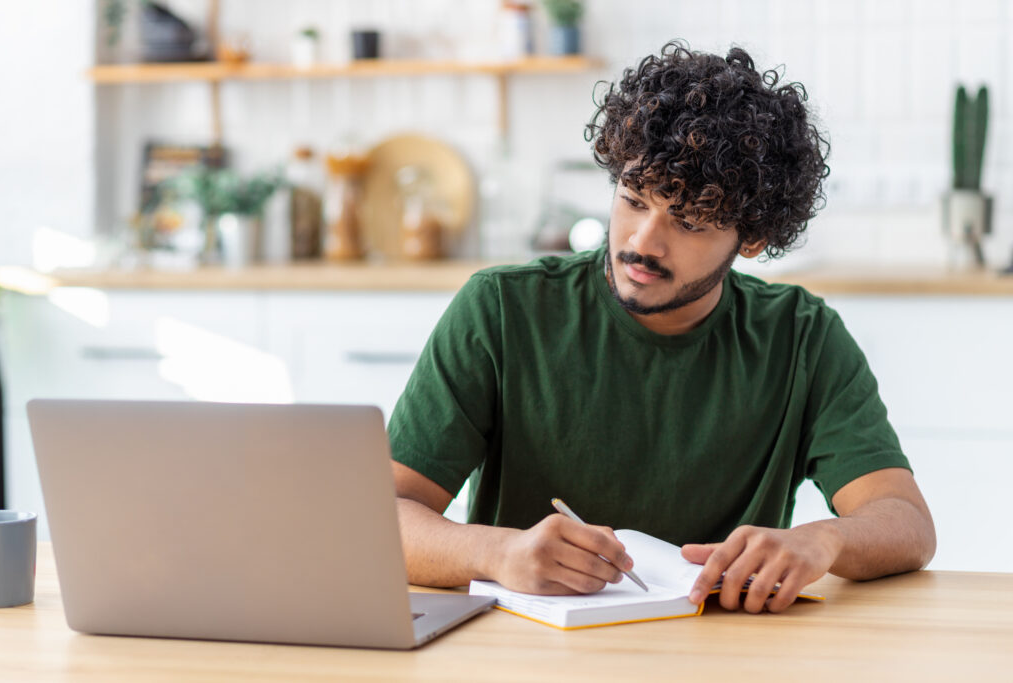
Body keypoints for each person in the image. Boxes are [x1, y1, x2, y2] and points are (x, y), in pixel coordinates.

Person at [388, 40, 936, 614]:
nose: (642, 243)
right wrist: (495, 552)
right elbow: (381, 519)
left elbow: (906, 523)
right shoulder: (501, 310)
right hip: (528, 656)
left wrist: (823, 539)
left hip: (723, 656)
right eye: (632, 199)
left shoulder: (802, 338)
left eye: (690, 222)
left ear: (751, 239)